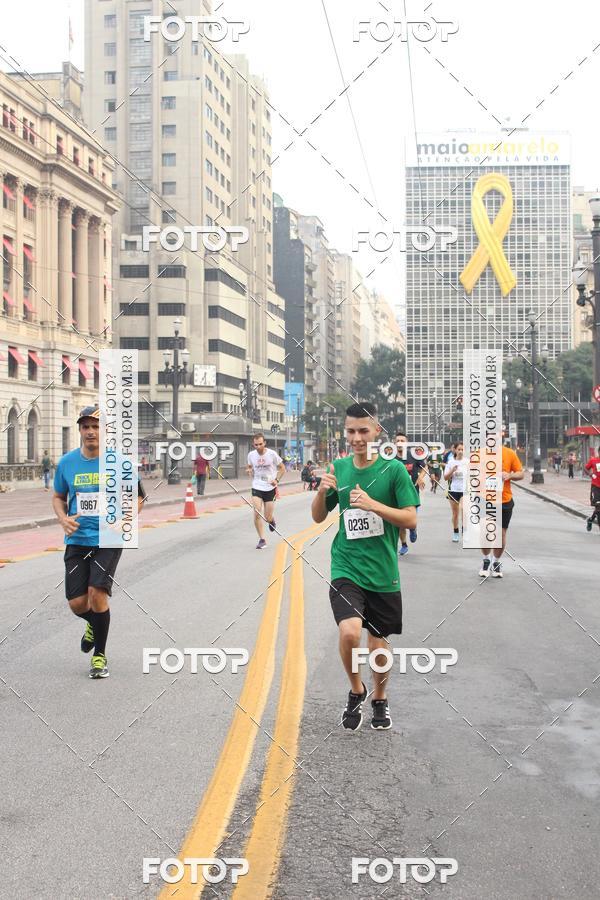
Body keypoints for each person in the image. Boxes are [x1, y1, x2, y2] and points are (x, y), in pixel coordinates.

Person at [311, 402, 419, 731]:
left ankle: (380, 697)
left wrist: (373, 504)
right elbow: (318, 515)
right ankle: (357, 688)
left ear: (377, 432)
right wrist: (321, 492)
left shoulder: (394, 471)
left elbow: (411, 517)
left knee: (378, 645)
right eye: (351, 431)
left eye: (363, 431)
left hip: (383, 571)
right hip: (346, 565)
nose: (357, 438)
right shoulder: (340, 468)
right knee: (349, 632)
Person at [52, 405, 146, 678]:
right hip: (77, 539)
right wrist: (62, 517)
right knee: (78, 604)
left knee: (97, 594)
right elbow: (58, 497)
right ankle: (92, 623)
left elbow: (138, 498)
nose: (90, 431)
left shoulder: (121, 463)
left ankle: (99, 657)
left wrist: (125, 521)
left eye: (95, 426)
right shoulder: (67, 463)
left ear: (105, 431)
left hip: (108, 539)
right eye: (85, 426)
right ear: (80, 430)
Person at [479, 442, 524, 578]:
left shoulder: (509, 453)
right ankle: (486, 560)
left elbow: (520, 473)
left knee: (501, 534)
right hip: (484, 499)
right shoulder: (480, 453)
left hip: (504, 500)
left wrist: (509, 475)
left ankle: (496, 562)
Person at [246, 433, 285, 549]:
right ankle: (262, 539)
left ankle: (271, 520)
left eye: (260, 444)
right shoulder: (251, 455)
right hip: (257, 486)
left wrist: (277, 480)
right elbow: (249, 466)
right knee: (257, 512)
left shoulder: (272, 454)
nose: (258, 446)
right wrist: (248, 470)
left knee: (267, 517)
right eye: (256, 444)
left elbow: (282, 468)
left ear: (264, 443)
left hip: (270, 488)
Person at [395, 431, 426, 555]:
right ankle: (404, 544)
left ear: (406, 443)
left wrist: (420, 477)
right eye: (397, 440)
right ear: (394, 443)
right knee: (401, 523)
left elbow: (425, 468)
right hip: (396, 495)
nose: (400, 443)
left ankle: (413, 528)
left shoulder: (413, 455)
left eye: (402, 441)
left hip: (412, 494)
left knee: (410, 521)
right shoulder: (391, 457)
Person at [443, 442, 467, 542]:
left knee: (464, 511)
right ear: (455, 450)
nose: (461, 451)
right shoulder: (451, 463)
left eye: (462, 449)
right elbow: (445, 478)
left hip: (465, 490)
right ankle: (455, 532)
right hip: (453, 490)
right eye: (459, 449)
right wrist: (452, 471)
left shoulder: (468, 462)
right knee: (455, 514)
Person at [584, 449, 600, 532]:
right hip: (596, 486)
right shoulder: (593, 460)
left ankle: (590, 520)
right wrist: (590, 474)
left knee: (598, 508)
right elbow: (585, 468)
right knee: (598, 506)